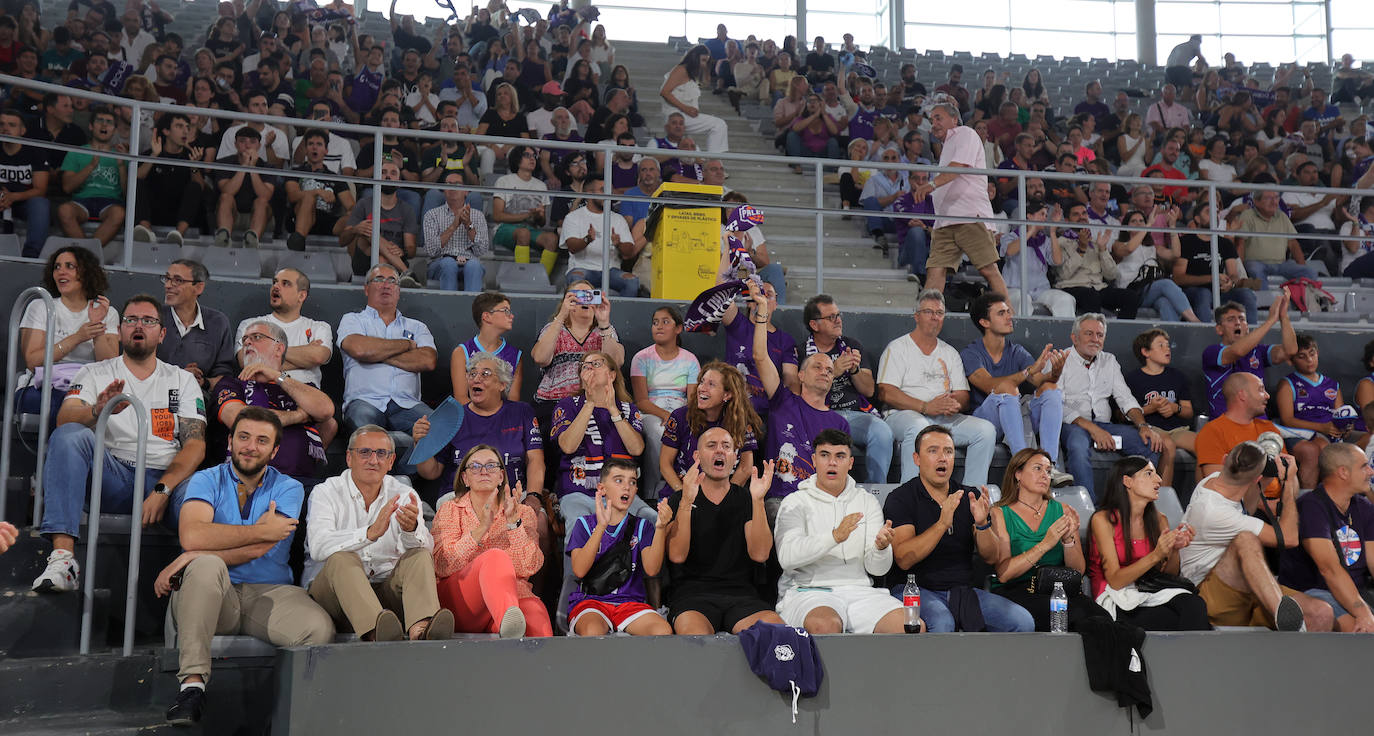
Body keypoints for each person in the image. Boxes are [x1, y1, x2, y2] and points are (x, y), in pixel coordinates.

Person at [156, 408, 334, 726]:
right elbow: (193, 534)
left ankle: (289, 715)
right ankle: (192, 688)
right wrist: (256, 532)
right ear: (230, 441)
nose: (251, 446)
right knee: (207, 565)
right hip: (213, 593)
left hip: (269, 593)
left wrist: (189, 555)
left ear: (274, 450)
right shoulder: (205, 479)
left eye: (262, 440)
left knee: (318, 628)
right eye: (244, 437)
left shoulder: (289, 487)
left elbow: (265, 546)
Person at [32, 295, 206, 593]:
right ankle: (63, 559)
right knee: (69, 436)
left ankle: (200, 570)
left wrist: (162, 490)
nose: (139, 326)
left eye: (148, 321)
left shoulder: (182, 379)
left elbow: (195, 445)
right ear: (121, 329)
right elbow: (65, 419)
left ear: (162, 333)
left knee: (201, 490)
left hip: (166, 480)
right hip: (114, 476)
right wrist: (97, 411)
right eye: (130, 320)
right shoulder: (94, 372)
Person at [305, 424, 451, 641]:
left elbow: (425, 549)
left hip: (387, 598)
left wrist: (410, 531)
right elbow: (318, 546)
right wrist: (369, 534)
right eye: (364, 452)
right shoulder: (325, 492)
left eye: (381, 453)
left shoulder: (404, 494)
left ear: (391, 461)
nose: (373, 460)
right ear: (349, 458)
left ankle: (421, 630)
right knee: (342, 559)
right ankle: (377, 633)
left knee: (419, 554)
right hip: (335, 599)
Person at [885, 426, 1035, 632]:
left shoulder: (968, 496)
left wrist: (983, 524)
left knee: (1022, 621)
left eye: (948, 451)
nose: (942, 458)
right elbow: (904, 558)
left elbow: (991, 557)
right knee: (942, 622)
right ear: (916, 459)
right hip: (914, 589)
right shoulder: (901, 498)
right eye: (933, 451)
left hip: (961, 591)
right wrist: (942, 524)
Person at [1181, 441, 1333, 631]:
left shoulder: (1213, 479)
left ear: (1224, 460)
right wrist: (1287, 483)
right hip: (1209, 592)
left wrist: (1266, 475)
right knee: (1246, 539)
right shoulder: (1213, 511)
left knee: (1321, 613)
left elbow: (1247, 508)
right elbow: (1289, 538)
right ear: (1256, 478)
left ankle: (1288, 627)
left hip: (1244, 584)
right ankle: (1281, 613)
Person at [773, 429, 907, 634]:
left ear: (851, 463)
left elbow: (877, 570)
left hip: (860, 592)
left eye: (840, 456)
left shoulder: (867, 501)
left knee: (908, 625)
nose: (832, 463)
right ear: (814, 460)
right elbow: (787, 557)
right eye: (825, 455)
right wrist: (834, 537)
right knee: (826, 625)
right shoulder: (795, 502)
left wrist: (880, 549)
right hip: (808, 591)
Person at [666, 427, 783, 634]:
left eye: (726, 447)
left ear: (735, 457)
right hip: (692, 596)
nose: (719, 451)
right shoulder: (679, 500)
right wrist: (686, 501)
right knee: (695, 638)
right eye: (711, 446)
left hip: (742, 595)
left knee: (775, 631)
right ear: (697, 456)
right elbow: (676, 555)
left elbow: (760, 553)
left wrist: (758, 500)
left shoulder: (747, 498)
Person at [877, 289, 997, 487]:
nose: (935, 318)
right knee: (919, 427)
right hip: (903, 415)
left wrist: (951, 404)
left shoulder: (949, 353)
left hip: (943, 417)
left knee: (985, 430)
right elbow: (885, 391)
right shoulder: (898, 348)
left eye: (939, 313)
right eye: (929, 312)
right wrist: (925, 406)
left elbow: (963, 395)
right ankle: (911, 494)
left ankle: (972, 496)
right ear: (916, 316)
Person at [431, 445, 551, 637]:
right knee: (495, 558)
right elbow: (441, 565)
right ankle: (507, 620)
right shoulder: (449, 510)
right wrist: (480, 530)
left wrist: (513, 524)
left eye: (491, 466)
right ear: (465, 478)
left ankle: (512, 629)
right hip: (461, 600)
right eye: (475, 466)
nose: (484, 471)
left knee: (537, 617)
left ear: (501, 476)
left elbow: (530, 566)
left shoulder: (523, 513)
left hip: (513, 597)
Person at [751, 286, 849, 514]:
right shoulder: (782, 400)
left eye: (829, 369)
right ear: (801, 376)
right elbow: (759, 356)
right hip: (782, 501)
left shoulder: (840, 424)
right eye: (818, 366)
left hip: (822, 504)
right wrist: (763, 310)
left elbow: (840, 476)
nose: (825, 371)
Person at [990, 447, 1107, 631]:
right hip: (1017, 590)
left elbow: (1077, 571)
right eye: (1037, 468)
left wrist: (1068, 541)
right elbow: (1004, 574)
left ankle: (1129, 657)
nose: (1045, 475)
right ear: (1017, 474)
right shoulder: (999, 513)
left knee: (1102, 616)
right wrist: (1045, 544)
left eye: (1048, 471)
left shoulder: (1063, 510)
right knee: (1078, 617)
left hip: (1057, 589)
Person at [1088, 457, 1211, 630]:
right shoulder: (1103, 520)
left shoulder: (1160, 520)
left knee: (1195, 605)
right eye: (1149, 473)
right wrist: (1156, 555)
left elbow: (1169, 574)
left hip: (1148, 590)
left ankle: (1193, 656)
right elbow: (1115, 581)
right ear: (1127, 481)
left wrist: (1174, 549)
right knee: (1171, 619)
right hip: (1114, 596)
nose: (1159, 480)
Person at [962, 292, 1071, 485]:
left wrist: (1056, 371)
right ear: (984, 322)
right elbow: (989, 386)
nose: (1009, 316)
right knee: (1006, 390)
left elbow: (1039, 380)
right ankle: (1023, 465)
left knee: (1051, 389)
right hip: (987, 422)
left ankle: (1049, 465)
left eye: (1008, 312)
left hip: (1016, 417)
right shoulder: (971, 353)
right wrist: (1027, 372)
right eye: (1001, 313)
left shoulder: (1016, 350)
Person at [1060, 313, 1170, 500]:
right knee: (1078, 447)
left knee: (1150, 444)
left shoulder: (1109, 360)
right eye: (1089, 334)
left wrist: (1143, 426)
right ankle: (1088, 507)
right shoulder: (1061, 359)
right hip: (1074, 424)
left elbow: (1125, 398)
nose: (1095, 339)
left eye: (1100, 335)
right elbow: (1057, 405)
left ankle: (1133, 502)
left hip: (1105, 425)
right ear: (1074, 338)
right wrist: (1093, 429)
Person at [336, 263, 436, 463]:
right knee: (365, 433)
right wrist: (407, 345)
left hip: (407, 404)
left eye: (392, 281)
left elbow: (427, 360)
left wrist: (374, 352)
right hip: (365, 401)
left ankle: (403, 477)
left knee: (437, 428)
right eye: (379, 279)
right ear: (366, 289)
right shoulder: (353, 320)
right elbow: (359, 349)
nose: (386, 285)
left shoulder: (417, 326)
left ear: (398, 291)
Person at [214, 320, 333, 485]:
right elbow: (240, 419)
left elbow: (326, 410)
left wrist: (276, 375)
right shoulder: (231, 384)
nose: (247, 342)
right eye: (245, 339)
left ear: (279, 348)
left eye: (256, 337)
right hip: (248, 482)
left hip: (299, 482)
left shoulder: (298, 388)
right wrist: (298, 415)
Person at [911, 101, 1008, 298]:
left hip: (969, 216)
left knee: (988, 270)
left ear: (954, 119)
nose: (934, 123)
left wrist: (931, 185)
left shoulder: (965, 133)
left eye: (939, 118)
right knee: (935, 271)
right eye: (931, 120)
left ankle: (1011, 317)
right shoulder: (947, 145)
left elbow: (959, 167)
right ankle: (928, 317)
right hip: (945, 220)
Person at [566, 459, 673, 636]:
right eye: (619, 480)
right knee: (593, 631)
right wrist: (601, 526)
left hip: (630, 603)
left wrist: (661, 528)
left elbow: (652, 569)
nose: (627, 487)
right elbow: (579, 570)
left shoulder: (642, 526)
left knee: (662, 631)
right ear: (602, 488)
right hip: (592, 601)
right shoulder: (584, 524)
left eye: (632, 482)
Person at [550, 351, 653, 534]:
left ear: (612, 375)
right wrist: (589, 404)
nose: (589, 368)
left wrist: (613, 408)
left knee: (652, 520)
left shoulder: (628, 409)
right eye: (585, 366)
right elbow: (567, 446)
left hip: (621, 494)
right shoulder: (567, 406)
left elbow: (636, 449)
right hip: (578, 492)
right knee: (579, 525)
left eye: (597, 364)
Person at [17, 247, 120, 424]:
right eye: (57, 267)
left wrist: (96, 327)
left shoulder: (107, 312)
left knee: (111, 406)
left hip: (88, 385)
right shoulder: (40, 306)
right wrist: (77, 337)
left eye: (69, 266)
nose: (61, 272)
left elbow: (109, 364)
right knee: (67, 405)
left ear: (86, 272)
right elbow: (33, 361)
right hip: (43, 385)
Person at [1279, 443, 1374, 632]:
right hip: (1314, 591)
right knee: (1363, 633)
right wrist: (1363, 612)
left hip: (1354, 591)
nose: (1371, 471)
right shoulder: (1311, 507)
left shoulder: (1364, 507)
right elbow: (1329, 570)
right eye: (1364, 466)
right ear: (1343, 472)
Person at [799, 295, 891, 485]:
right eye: (831, 317)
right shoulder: (801, 352)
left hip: (855, 413)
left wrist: (854, 370)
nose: (838, 320)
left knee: (882, 431)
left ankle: (876, 491)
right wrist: (835, 369)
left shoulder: (851, 346)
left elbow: (868, 390)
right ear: (814, 325)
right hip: (820, 412)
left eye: (838, 315)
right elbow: (800, 392)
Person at [530, 281, 624, 447]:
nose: (584, 300)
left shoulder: (606, 330)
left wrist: (604, 322)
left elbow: (616, 362)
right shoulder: (552, 328)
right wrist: (561, 316)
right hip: (554, 402)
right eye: (578, 296)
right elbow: (540, 358)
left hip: (595, 401)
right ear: (567, 301)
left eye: (589, 295)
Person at [658, 362, 760, 499]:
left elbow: (745, 468)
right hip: (681, 493)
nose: (702, 388)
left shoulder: (741, 421)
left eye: (711, 384)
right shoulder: (680, 417)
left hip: (722, 496)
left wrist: (725, 498)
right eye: (702, 382)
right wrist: (683, 495)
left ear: (727, 395)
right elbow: (665, 464)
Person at [630, 306, 699, 498]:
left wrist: (678, 416)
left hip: (681, 409)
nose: (658, 327)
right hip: (652, 411)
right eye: (655, 322)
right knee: (659, 431)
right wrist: (666, 416)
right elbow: (641, 401)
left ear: (678, 328)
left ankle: (690, 485)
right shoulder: (641, 358)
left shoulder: (690, 360)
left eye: (665, 322)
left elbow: (693, 401)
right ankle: (654, 491)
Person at [1276, 333, 1355, 488]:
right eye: (1302, 356)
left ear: (1317, 353)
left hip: (1327, 433)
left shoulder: (1332, 385)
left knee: (1337, 452)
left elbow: (1341, 414)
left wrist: (1345, 427)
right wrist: (1321, 428)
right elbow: (1287, 419)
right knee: (1314, 451)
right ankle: (1307, 500)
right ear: (1291, 361)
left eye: (1312, 354)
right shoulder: (1288, 384)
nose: (1309, 360)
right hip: (1297, 433)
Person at [235, 268, 333, 390]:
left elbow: (318, 357)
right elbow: (246, 362)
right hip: (260, 393)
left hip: (305, 395)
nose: (276, 287)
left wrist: (263, 356)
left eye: (285, 283)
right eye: (275, 282)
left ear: (301, 295)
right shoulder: (250, 325)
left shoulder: (319, 327)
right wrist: (305, 358)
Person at [1202, 292, 1295, 418]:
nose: (1237, 323)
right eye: (1231, 319)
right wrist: (1271, 320)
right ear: (1219, 329)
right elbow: (1237, 351)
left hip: (1259, 425)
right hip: (1226, 425)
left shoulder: (1258, 351)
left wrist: (1283, 317)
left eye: (1242, 319)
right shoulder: (1212, 352)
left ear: (1247, 328)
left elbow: (1290, 351)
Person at [718, 279, 796, 419]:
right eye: (759, 293)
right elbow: (721, 289)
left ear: (775, 304)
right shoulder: (737, 324)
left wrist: (788, 415)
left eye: (769, 294)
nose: (763, 297)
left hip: (766, 414)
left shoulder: (785, 340)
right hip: (731, 406)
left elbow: (791, 380)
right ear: (749, 300)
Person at [1173, 202, 1258, 323]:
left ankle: (1252, 338)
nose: (1215, 215)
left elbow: (1233, 274)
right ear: (1197, 218)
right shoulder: (1186, 242)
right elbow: (1178, 278)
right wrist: (1211, 278)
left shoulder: (1225, 243)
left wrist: (1230, 283)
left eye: (1217, 212)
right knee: (1203, 293)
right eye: (1209, 212)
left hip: (1220, 292)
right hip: (1193, 292)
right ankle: (1205, 338)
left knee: (1246, 293)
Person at [56, 106, 126, 248]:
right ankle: (88, 254)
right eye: (100, 120)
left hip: (110, 203)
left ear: (115, 130)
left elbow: (128, 194)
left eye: (109, 122)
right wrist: (91, 166)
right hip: (81, 202)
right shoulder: (76, 152)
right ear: (91, 126)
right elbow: (67, 187)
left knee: (119, 213)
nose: (104, 124)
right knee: (64, 210)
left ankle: (86, 255)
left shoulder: (122, 155)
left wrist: (121, 165)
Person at [341, 157, 419, 278]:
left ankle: (400, 273)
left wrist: (402, 251)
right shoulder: (363, 204)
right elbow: (342, 241)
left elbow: (411, 250)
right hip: (365, 261)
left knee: (381, 258)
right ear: (376, 176)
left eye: (393, 173)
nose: (388, 177)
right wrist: (355, 230)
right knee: (368, 229)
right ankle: (408, 273)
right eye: (383, 172)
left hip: (395, 263)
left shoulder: (407, 210)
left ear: (399, 180)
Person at [560, 179, 638, 297]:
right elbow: (572, 247)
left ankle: (621, 315)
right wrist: (587, 239)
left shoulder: (618, 219)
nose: (608, 194)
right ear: (589, 193)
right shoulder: (573, 217)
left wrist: (619, 244)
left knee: (632, 281)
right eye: (603, 190)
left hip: (611, 270)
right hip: (582, 268)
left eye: (609, 190)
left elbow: (629, 251)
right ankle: (590, 314)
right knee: (576, 279)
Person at [1125, 329, 1197, 457]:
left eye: (1168, 345)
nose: (1167, 349)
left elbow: (1189, 412)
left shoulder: (1178, 376)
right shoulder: (1132, 379)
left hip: (1177, 430)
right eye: (1161, 345)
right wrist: (1151, 408)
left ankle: (1209, 478)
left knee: (1205, 444)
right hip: (1151, 428)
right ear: (1145, 352)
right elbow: (1122, 415)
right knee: (1167, 445)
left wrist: (1175, 408)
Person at [1001, 199, 1076, 317]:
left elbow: (1057, 261)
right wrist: (1030, 231)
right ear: (1029, 216)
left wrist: (1052, 232)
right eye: (1042, 214)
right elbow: (1010, 251)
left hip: (1040, 290)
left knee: (1065, 299)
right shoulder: (1012, 236)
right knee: (1023, 299)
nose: (1045, 218)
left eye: (1046, 215)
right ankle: (1022, 335)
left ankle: (1064, 335)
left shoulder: (1045, 241)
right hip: (1014, 289)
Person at [284, 129, 355, 252]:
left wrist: (351, 213)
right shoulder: (296, 172)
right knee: (308, 198)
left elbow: (351, 206)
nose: (314, 148)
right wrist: (317, 192)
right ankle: (298, 242)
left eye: (319, 144)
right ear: (306, 149)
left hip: (327, 220)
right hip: (298, 218)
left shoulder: (334, 177)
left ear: (326, 151)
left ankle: (356, 266)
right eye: (311, 144)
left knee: (354, 220)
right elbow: (292, 195)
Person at [490, 144, 557, 272]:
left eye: (534, 156)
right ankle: (523, 276)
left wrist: (539, 216)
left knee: (552, 239)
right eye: (527, 155)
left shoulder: (541, 186)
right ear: (516, 159)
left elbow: (542, 224)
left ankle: (540, 280)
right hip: (504, 228)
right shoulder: (504, 181)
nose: (532, 159)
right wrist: (527, 215)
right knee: (523, 233)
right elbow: (497, 216)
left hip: (531, 229)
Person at [1228, 191, 1316, 286]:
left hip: (1281, 264)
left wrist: (1301, 266)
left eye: (1276, 198)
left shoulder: (1282, 216)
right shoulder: (1247, 215)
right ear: (1256, 202)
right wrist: (1240, 272)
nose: (1274, 202)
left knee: (1309, 272)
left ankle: (1302, 299)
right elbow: (1240, 243)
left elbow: (1293, 244)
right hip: (1256, 263)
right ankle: (1265, 300)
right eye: (1268, 198)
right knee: (1255, 270)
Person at [422, 172, 490, 292]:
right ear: (444, 190)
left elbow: (482, 250)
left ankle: (472, 309)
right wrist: (454, 226)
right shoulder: (432, 215)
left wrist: (468, 224)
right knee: (448, 263)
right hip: (440, 263)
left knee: (474, 265)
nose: (452, 187)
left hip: (469, 262)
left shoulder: (478, 215)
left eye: (457, 184)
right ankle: (448, 310)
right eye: (449, 184)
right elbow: (431, 250)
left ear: (466, 191)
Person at [211, 126, 277, 250]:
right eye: (242, 141)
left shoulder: (268, 167)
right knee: (226, 197)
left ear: (259, 145)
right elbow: (227, 190)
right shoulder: (223, 163)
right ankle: (223, 239)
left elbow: (266, 195)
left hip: (260, 217)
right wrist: (244, 166)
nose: (247, 145)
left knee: (261, 201)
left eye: (252, 142)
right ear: (235, 144)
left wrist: (252, 169)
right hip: (231, 214)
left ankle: (252, 240)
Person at [450, 291, 523, 402]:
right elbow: (461, 398)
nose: (511, 315)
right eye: (505, 311)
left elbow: (513, 401)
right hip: (471, 417)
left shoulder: (516, 356)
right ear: (487, 317)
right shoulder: (461, 352)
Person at [0, 108, 51, 257]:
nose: (5, 129)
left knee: (41, 203)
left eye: (12, 125)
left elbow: (40, 189)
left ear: (22, 130)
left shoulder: (35, 151)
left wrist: (13, 197)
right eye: (2, 124)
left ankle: (31, 255)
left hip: (23, 201)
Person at [659, 45, 729, 153]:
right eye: (703, 60)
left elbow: (706, 82)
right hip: (675, 115)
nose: (704, 64)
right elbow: (664, 92)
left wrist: (706, 67)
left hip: (684, 114)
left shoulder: (692, 73)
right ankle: (714, 161)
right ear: (695, 57)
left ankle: (709, 163)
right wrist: (685, 108)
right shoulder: (681, 70)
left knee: (688, 148)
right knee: (719, 125)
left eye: (706, 61)